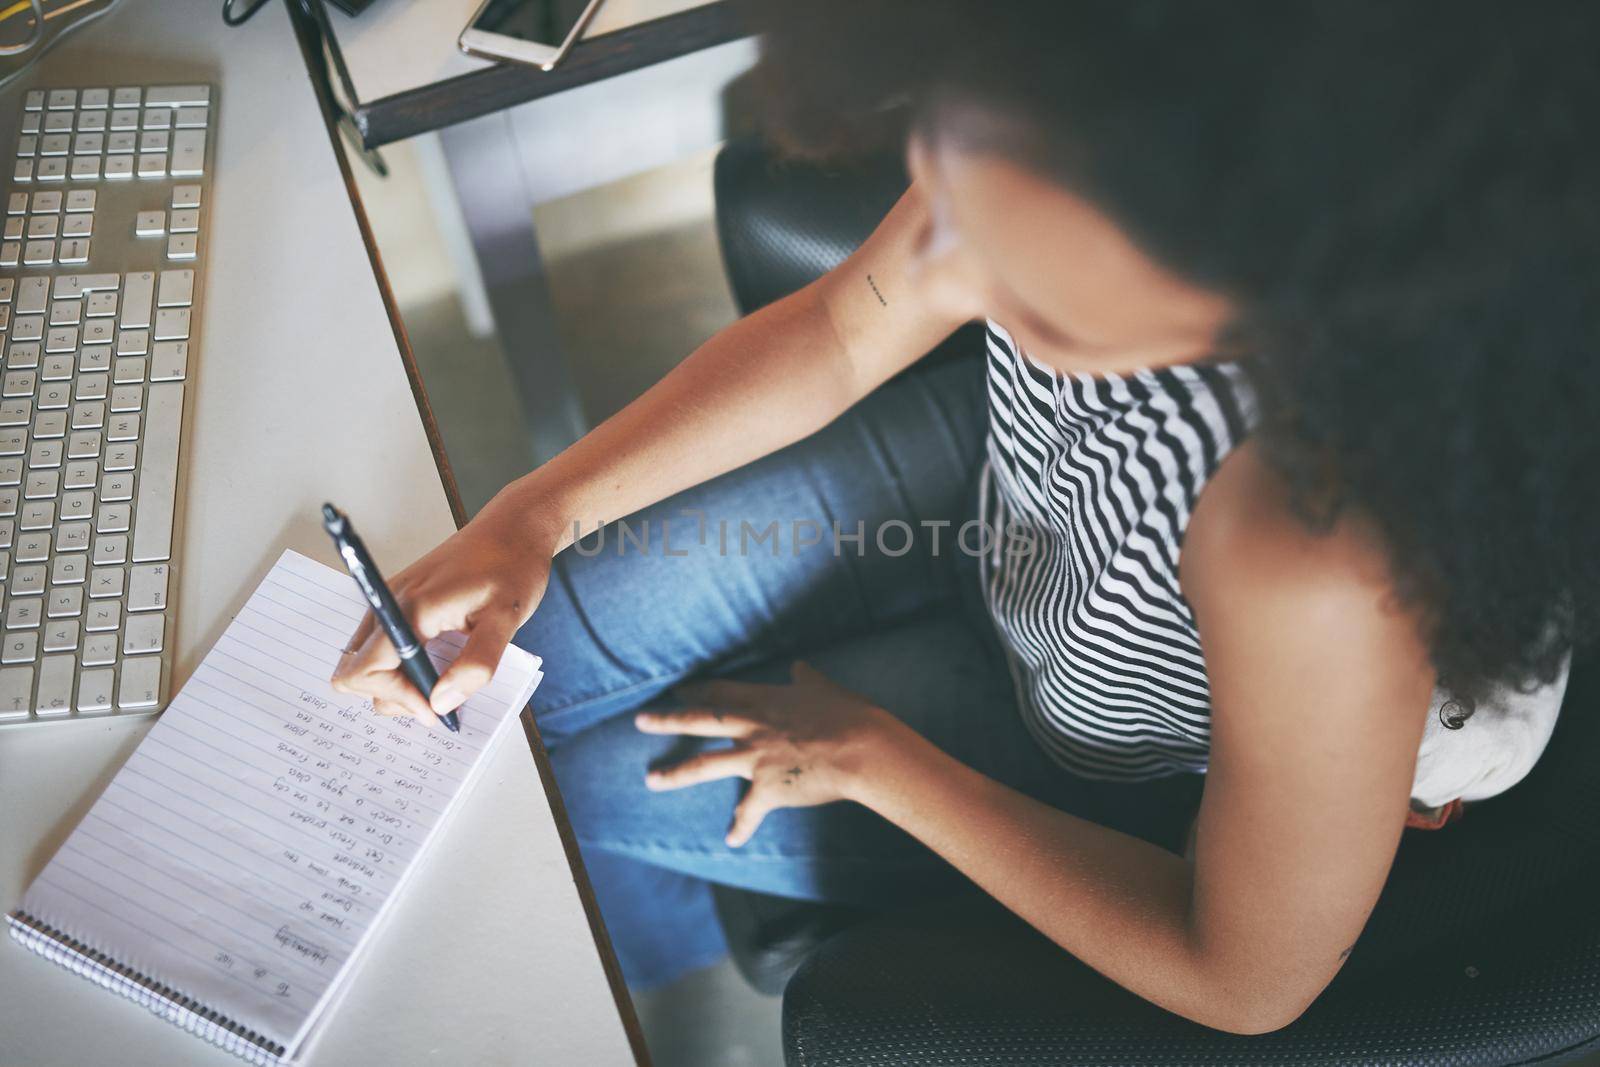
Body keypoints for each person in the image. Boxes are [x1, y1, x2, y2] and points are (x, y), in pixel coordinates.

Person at [332, 0, 1597, 1032]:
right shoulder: (1063, 117)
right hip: (1017, 496)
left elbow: (1244, 979)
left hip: (1119, 720)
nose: (955, 274)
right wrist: (532, 514)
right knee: (486, 677)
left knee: (570, 798)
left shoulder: (1318, 555)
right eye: (955, 192)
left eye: (1033, 303)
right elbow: (841, 328)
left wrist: (871, 757)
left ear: (1258, 310)